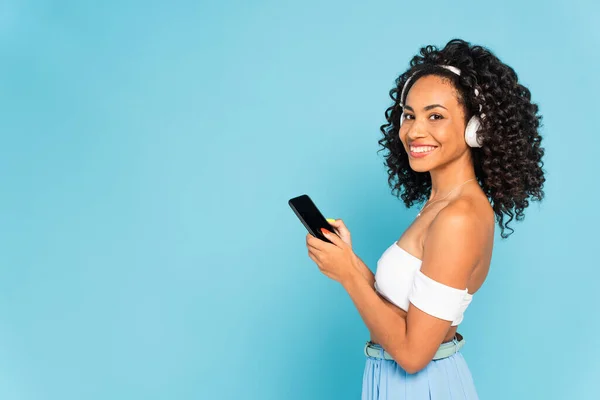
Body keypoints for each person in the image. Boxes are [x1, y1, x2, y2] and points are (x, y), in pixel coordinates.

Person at [304, 39, 545, 399]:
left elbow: (415, 355)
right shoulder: (442, 204)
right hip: (394, 380)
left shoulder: (459, 216)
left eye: (435, 116)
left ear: (475, 128)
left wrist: (348, 276)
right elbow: (403, 312)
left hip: (421, 386)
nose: (414, 131)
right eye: (409, 114)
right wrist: (347, 261)